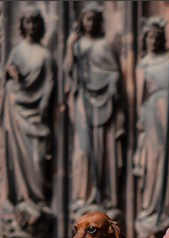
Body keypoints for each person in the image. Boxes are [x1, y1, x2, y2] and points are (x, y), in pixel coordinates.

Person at [0, 6, 55, 238]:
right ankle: (22, 201)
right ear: (22, 26)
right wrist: (9, 72)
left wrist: (43, 104)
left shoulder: (45, 55)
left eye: (35, 22)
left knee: (37, 160)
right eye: (27, 22)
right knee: (19, 160)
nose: (31, 26)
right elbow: (8, 75)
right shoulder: (17, 52)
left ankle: (37, 201)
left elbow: (50, 82)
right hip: (17, 114)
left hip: (37, 117)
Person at [65, 1, 124, 215]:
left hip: (104, 103)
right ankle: (83, 196)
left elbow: (114, 72)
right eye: (87, 19)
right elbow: (67, 72)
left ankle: (105, 197)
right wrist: (70, 48)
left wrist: (112, 85)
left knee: (101, 150)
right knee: (82, 151)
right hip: (83, 100)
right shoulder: (77, 46)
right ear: (81, 21)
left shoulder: (103, 46)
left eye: (94, 19)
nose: (90, 23)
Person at [133, 17, 169, 238]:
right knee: (155, 162)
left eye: (157, 37)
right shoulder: (144, 64)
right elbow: (139, 99)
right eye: (149, 37)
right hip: (153, 116)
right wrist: (141, 121)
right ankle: (153, 209)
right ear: (144, 40)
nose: (153, 41)